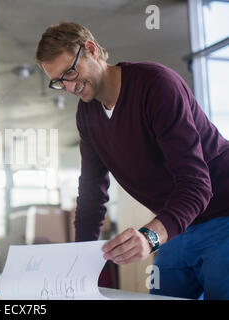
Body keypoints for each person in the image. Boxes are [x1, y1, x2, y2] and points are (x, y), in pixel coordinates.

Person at [35, 21, 229, 300]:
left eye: (70, 72)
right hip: (180, 224)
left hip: (223, 213)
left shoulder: (156, 85)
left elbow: (197, 184)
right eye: (59, 81)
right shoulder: (87, 116)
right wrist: (77, 264)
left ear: (91, 50)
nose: (69, 86)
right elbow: (91, 196)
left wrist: (150, 237)